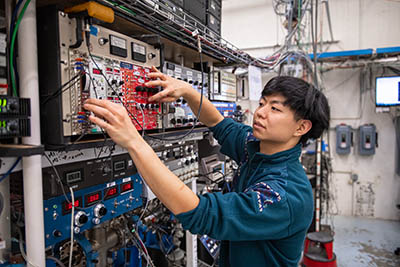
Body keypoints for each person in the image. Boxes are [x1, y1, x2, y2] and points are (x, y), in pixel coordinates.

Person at [83, 67, 330, 267]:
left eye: (275, 108)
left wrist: (133, 141)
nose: (260, 113)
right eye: (262, 103)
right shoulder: (256, 147)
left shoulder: (286, 195)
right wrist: (187, 91)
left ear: (301, 127)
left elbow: (200, 215)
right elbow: (219, 123)